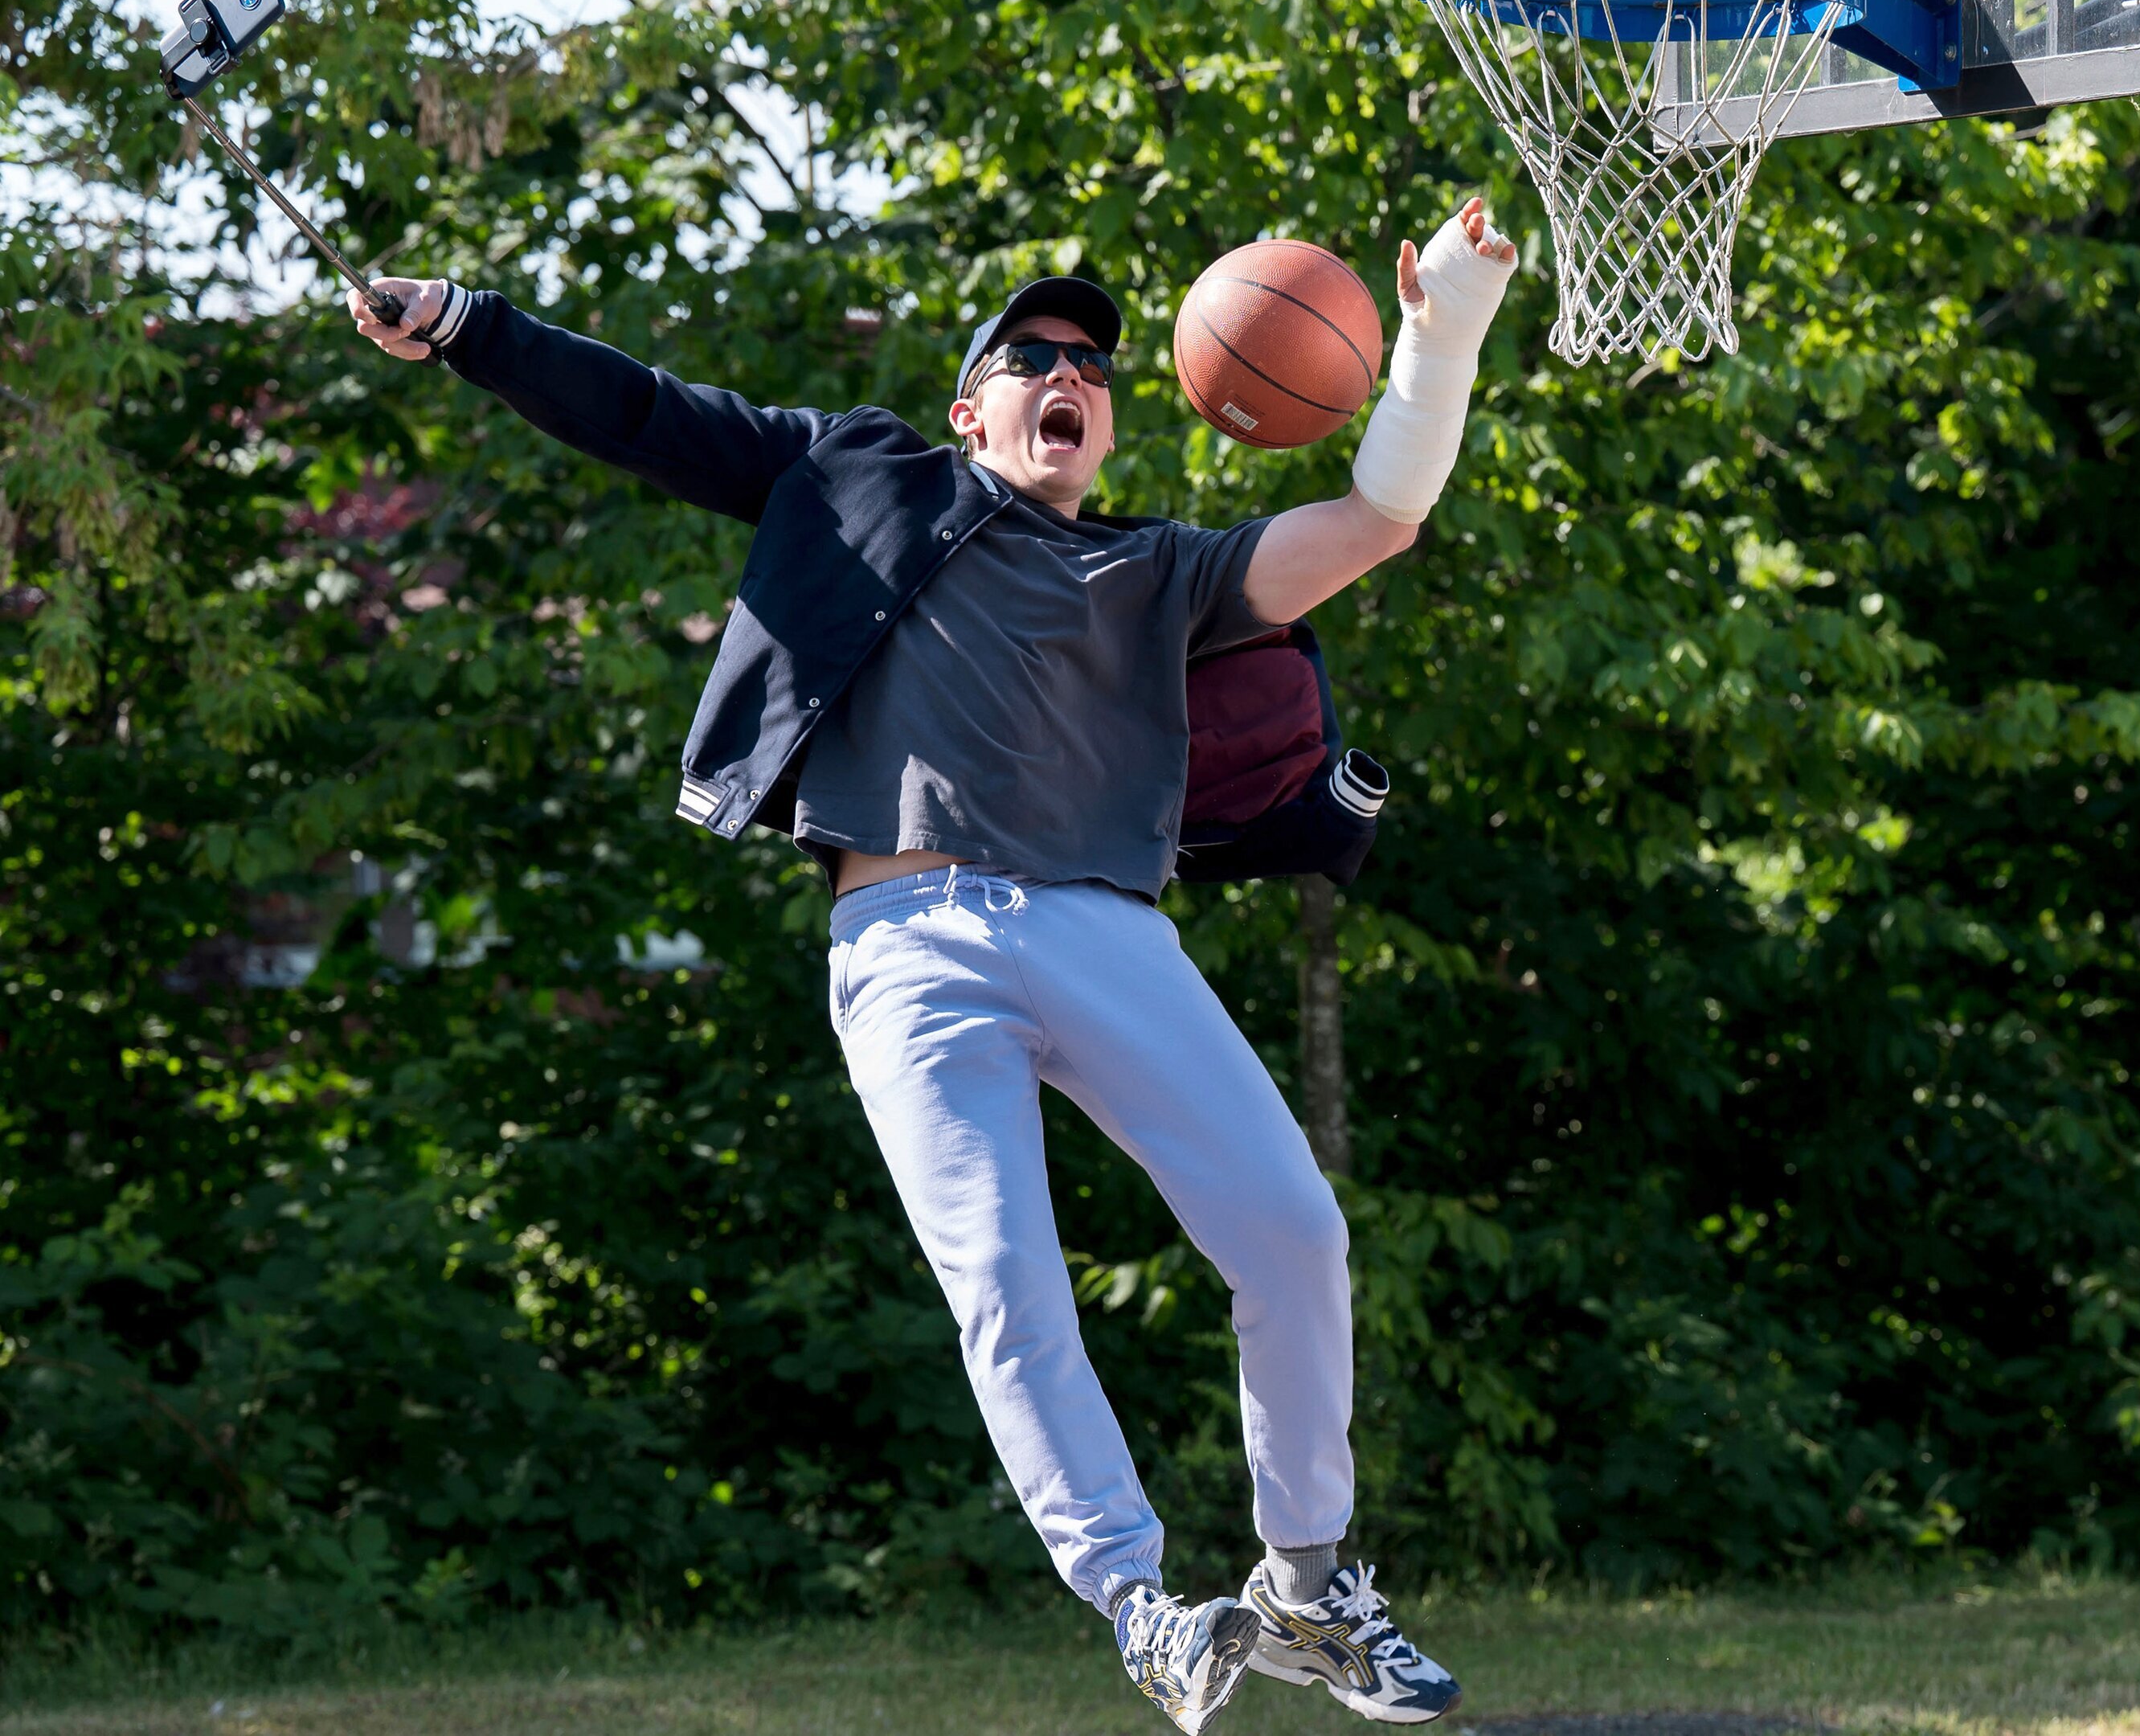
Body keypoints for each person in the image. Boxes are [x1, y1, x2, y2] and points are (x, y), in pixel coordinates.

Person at [348, 199, 1518, 1733]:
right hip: (903, 944)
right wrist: (467, 321)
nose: (1067, 374)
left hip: (1105, 926)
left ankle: (1307, 1580)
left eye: (1092, 367)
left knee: (1296, 1230)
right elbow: (643, 414)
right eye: (1030, 355)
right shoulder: (859, 480)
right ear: (973, 407)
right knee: (1007, 1282)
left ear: (1106, 423)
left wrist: (1441, 339)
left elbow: (1374, 519)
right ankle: (1142, 1602)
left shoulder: (1161, 573)